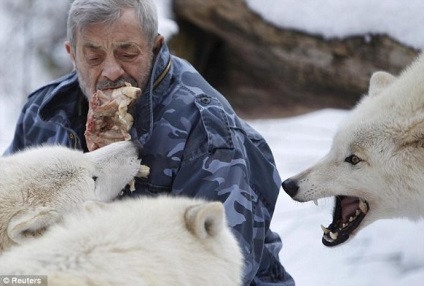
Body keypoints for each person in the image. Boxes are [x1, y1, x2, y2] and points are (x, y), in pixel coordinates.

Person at [4, 0, 295, 285]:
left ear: (155, 47)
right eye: (93, 57)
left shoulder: (208, 129)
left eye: (127, 53)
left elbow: (221, 264)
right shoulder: (44, 111)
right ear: (72, 54)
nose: (110, 71)